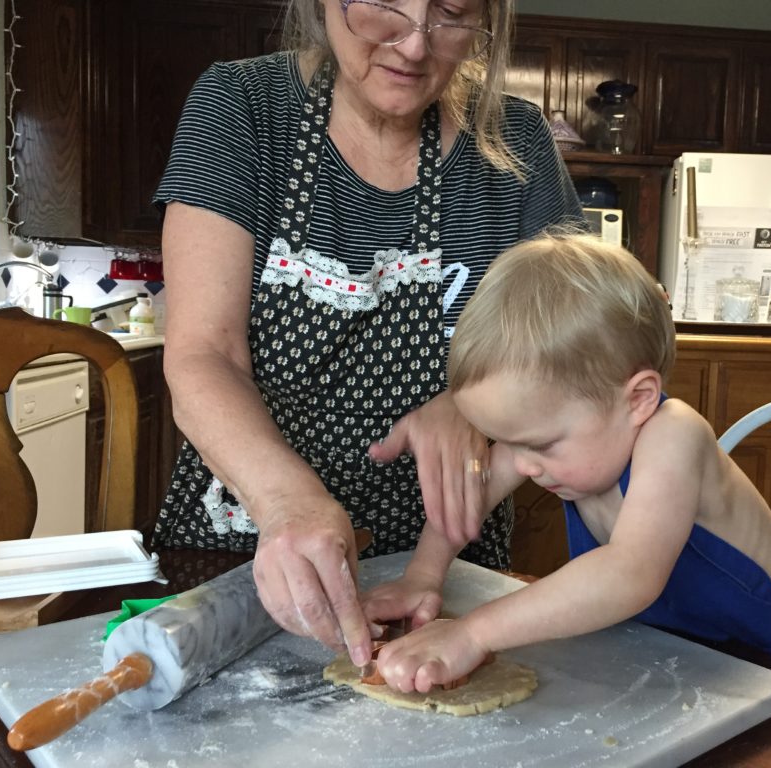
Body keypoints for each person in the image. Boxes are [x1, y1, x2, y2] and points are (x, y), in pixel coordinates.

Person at [153, 0, 583, 669]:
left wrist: (473, 403)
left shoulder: (518, 143)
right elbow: (203, 355)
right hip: (244, 552)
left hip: (441, 579)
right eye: (383, 5)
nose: (413, 45)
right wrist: (287, 501)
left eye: (451, 13)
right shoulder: (240, 106)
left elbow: (572, 350)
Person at [367, 232, 771, 716]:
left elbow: (630, 572)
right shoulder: (552, 437)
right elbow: (470, 496)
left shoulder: (674, 434)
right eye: (510, 441)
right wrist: (424, 576)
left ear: (638, 398)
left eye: (541, 444)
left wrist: (472, 634)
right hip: (691, 668)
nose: (522, 464)